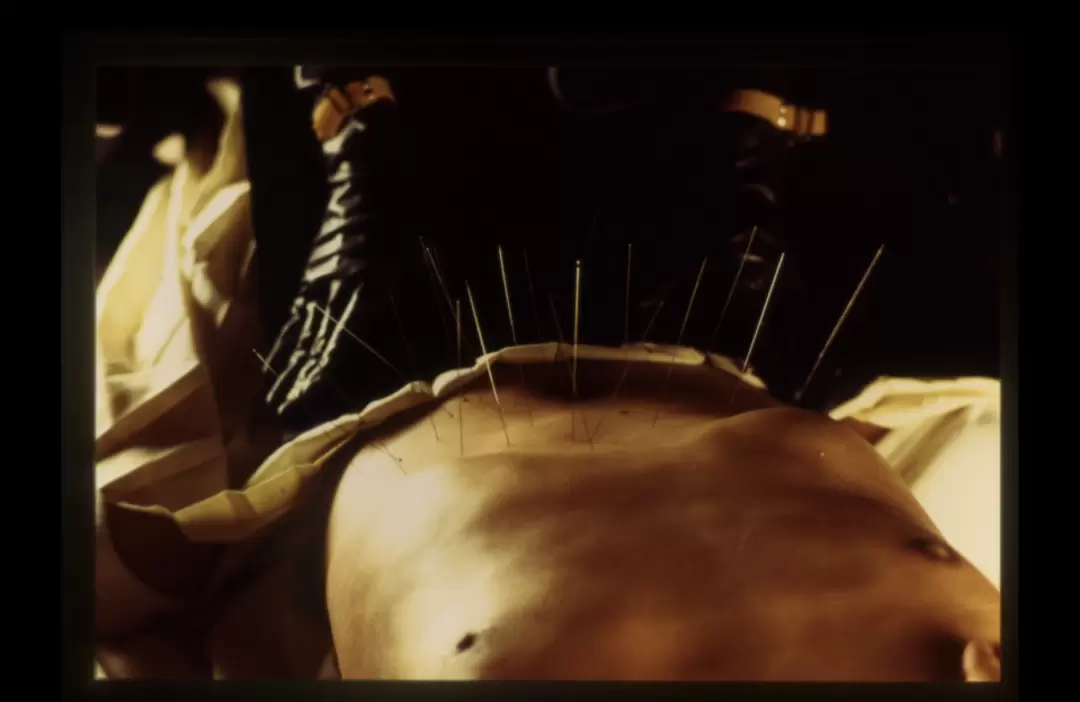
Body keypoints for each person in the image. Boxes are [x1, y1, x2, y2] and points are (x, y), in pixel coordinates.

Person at [93, 68, 1001, 681]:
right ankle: (744, 144)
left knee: (354, 207)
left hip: (397, 384)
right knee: (759, 204)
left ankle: (360, 127)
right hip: (739, 367)